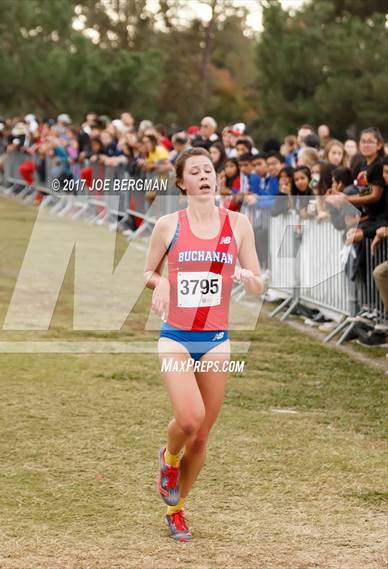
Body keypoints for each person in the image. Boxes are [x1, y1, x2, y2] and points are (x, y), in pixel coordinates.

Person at [143, 147, 263, 542]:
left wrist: (249, 278)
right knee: (189, 419)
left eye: (208, 169)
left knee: (203, 433)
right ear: (182, 182)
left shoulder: (238, 224)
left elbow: (258, 281)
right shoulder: (167, 225)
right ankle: (168, 456)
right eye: (194, 171)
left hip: (215, 340)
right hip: (176, 336)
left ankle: (176, 510)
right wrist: (160, 282)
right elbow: (148, 271)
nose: (204, 175)